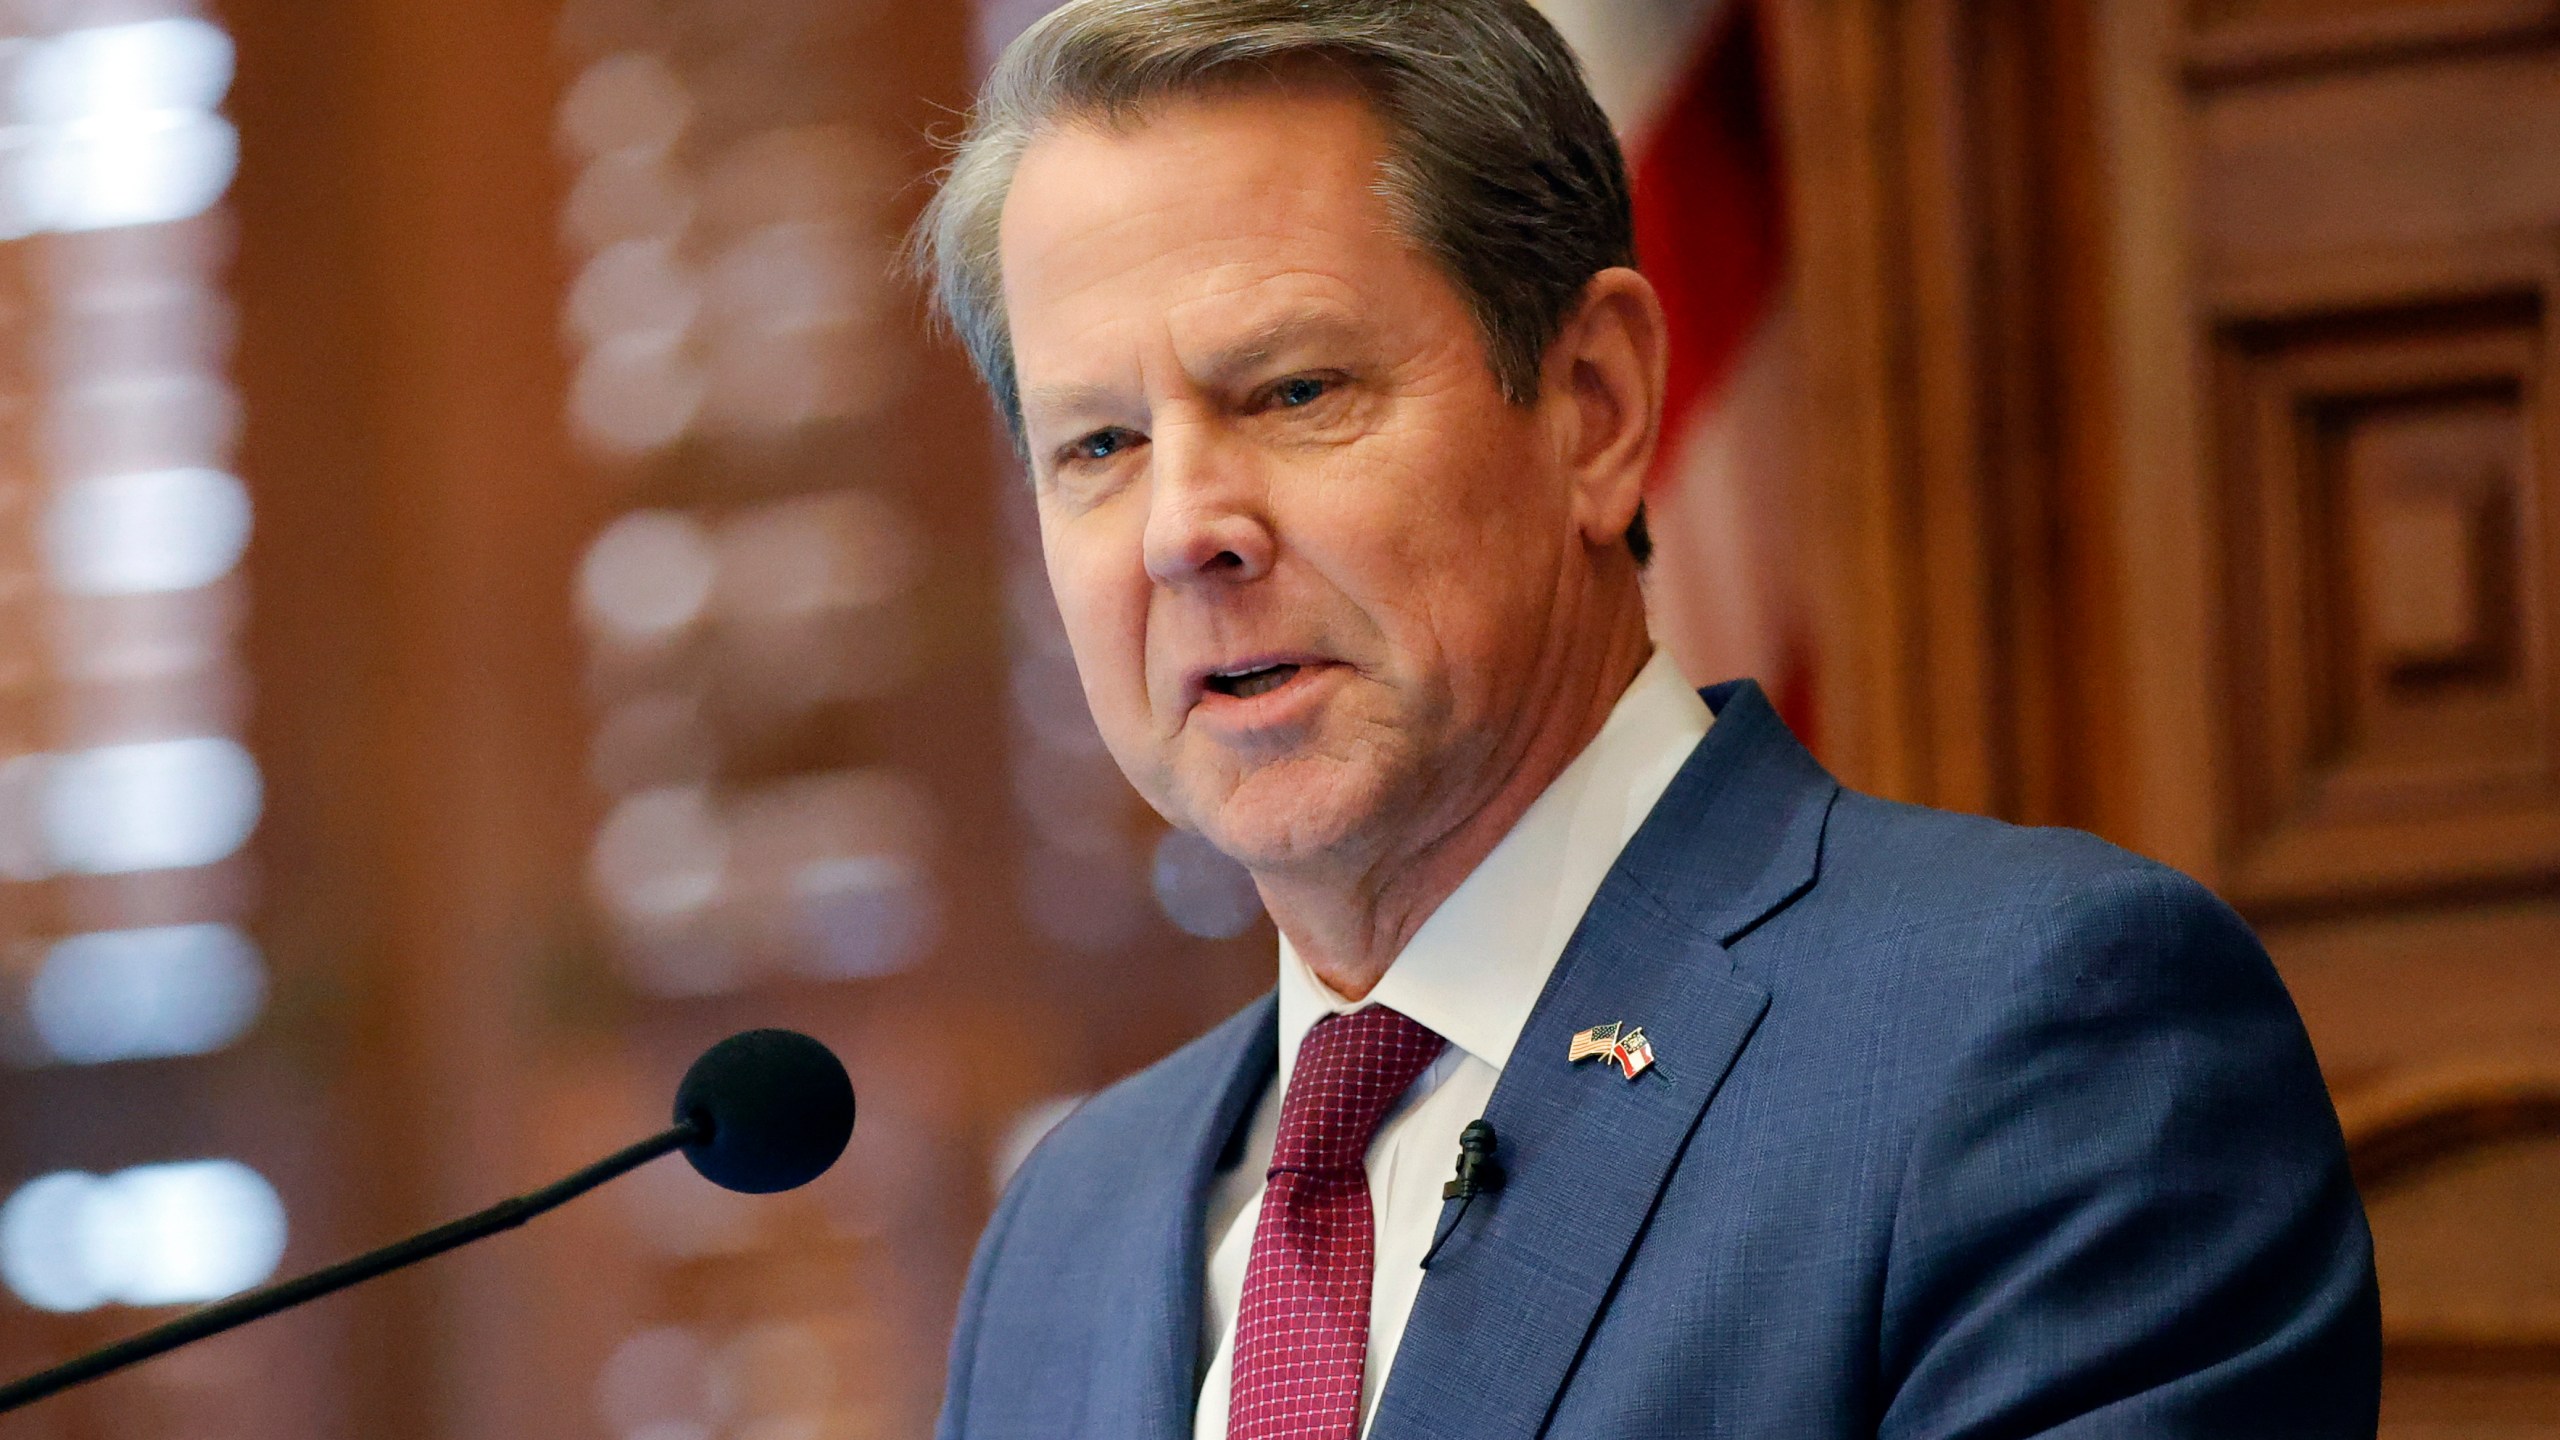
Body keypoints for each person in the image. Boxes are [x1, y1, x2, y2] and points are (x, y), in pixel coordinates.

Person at [913, 1, 2381, 1434]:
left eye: (1296, 391)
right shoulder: (1067, 1239)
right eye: (1098, 444)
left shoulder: (2039, 1040)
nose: (1185, 529)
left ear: (1595, 408)